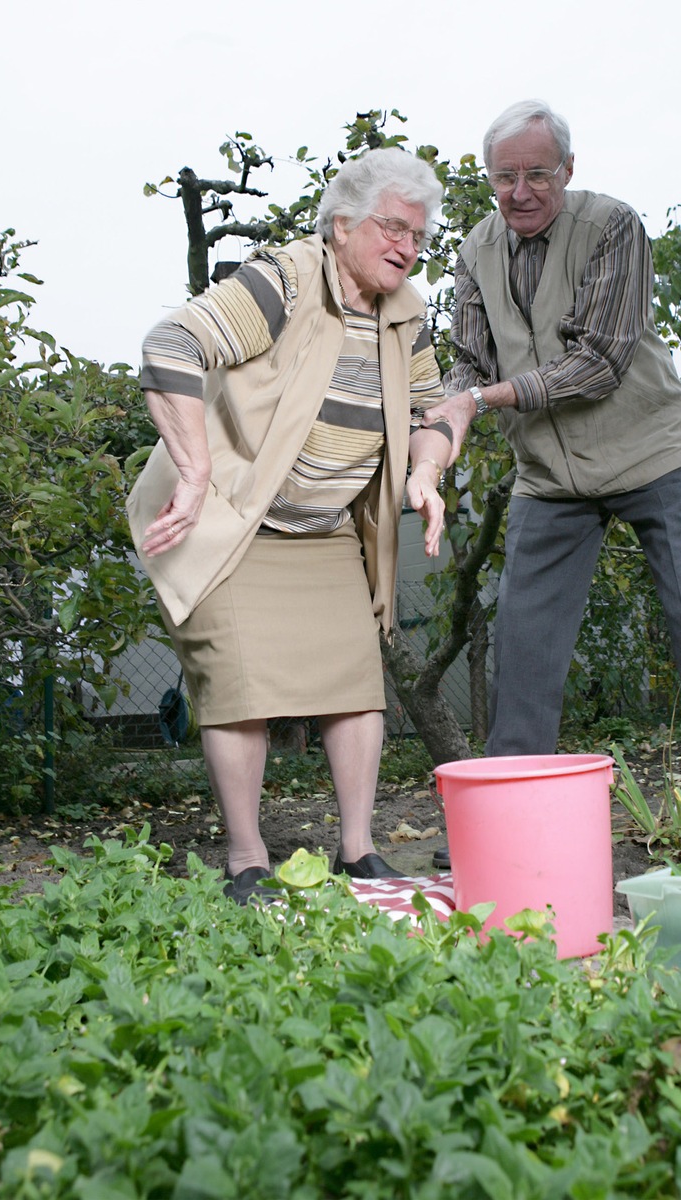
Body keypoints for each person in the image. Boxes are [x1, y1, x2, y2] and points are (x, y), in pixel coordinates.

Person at [424, 100, 681, 866]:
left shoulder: (613, 226)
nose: (519, 192)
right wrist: (446, 416)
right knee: (523, 644)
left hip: (650, 456)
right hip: (550, 477)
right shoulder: (477, 249)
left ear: (568, 172)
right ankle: (504, 825)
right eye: (504, 177)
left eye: (536, 174)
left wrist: (482, 398)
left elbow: (599, 363)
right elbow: (468, 361)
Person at [127, 148, 454, 904]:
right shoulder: (284, 278)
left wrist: (424, 473)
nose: (408, 245)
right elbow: (171, 343)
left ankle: (358, 851)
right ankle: (247, 861)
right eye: (393, 227)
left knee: (354, 685)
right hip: (236, 519)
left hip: (327, 529)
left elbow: (430, 413)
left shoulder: (406, 313)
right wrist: (196, 467)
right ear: (342, 225)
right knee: (240, 690)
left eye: (419, 234)